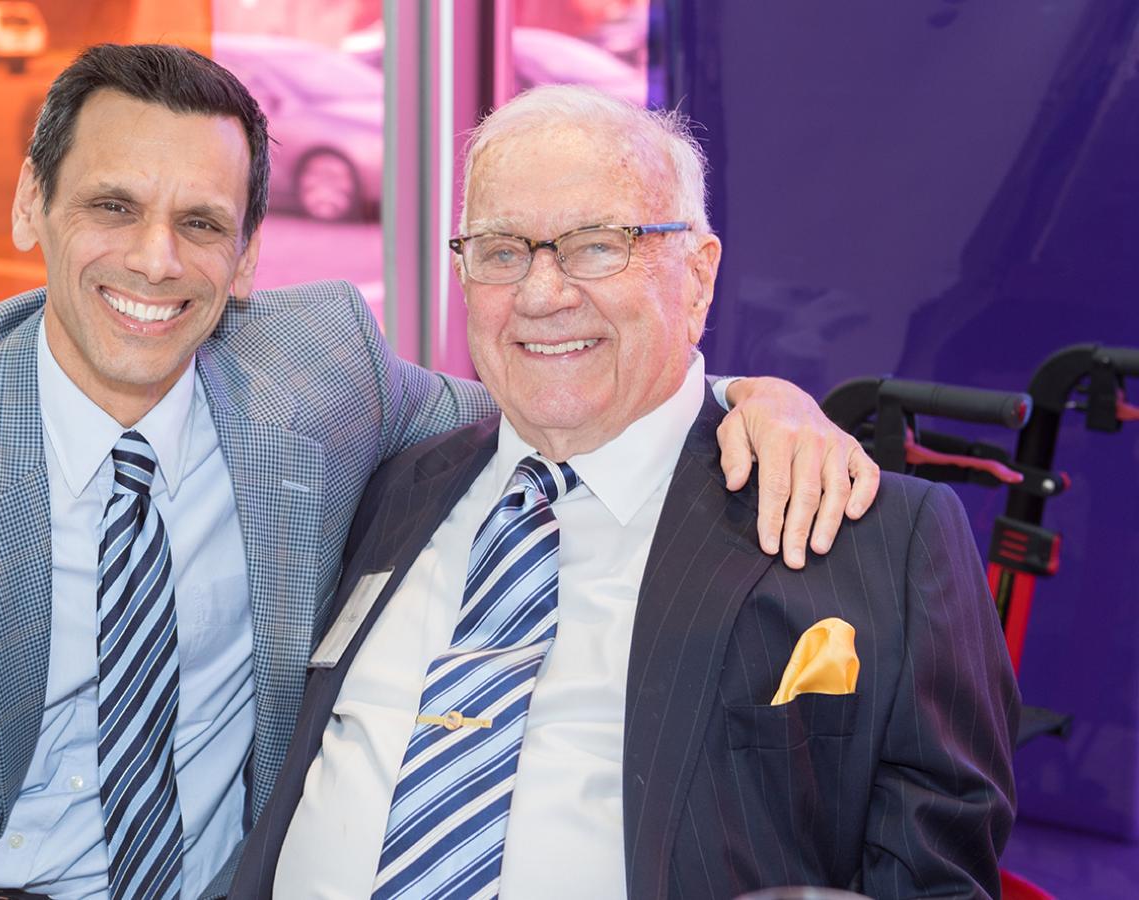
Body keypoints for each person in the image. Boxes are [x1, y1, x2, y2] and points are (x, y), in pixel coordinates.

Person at [0, 47, 876, 899]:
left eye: (203, 224)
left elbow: (555, 397)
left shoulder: (317, 371)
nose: (154, 262)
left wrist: (744, 398)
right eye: (111, 207)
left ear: (249, 255)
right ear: (29, 209)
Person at [231, 85, 1018, 899]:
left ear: (700, 276)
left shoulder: (876, 538)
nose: (542, 295)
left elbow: (937, 876)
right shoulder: (388, 481)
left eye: (597, 245)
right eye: (502, 251)